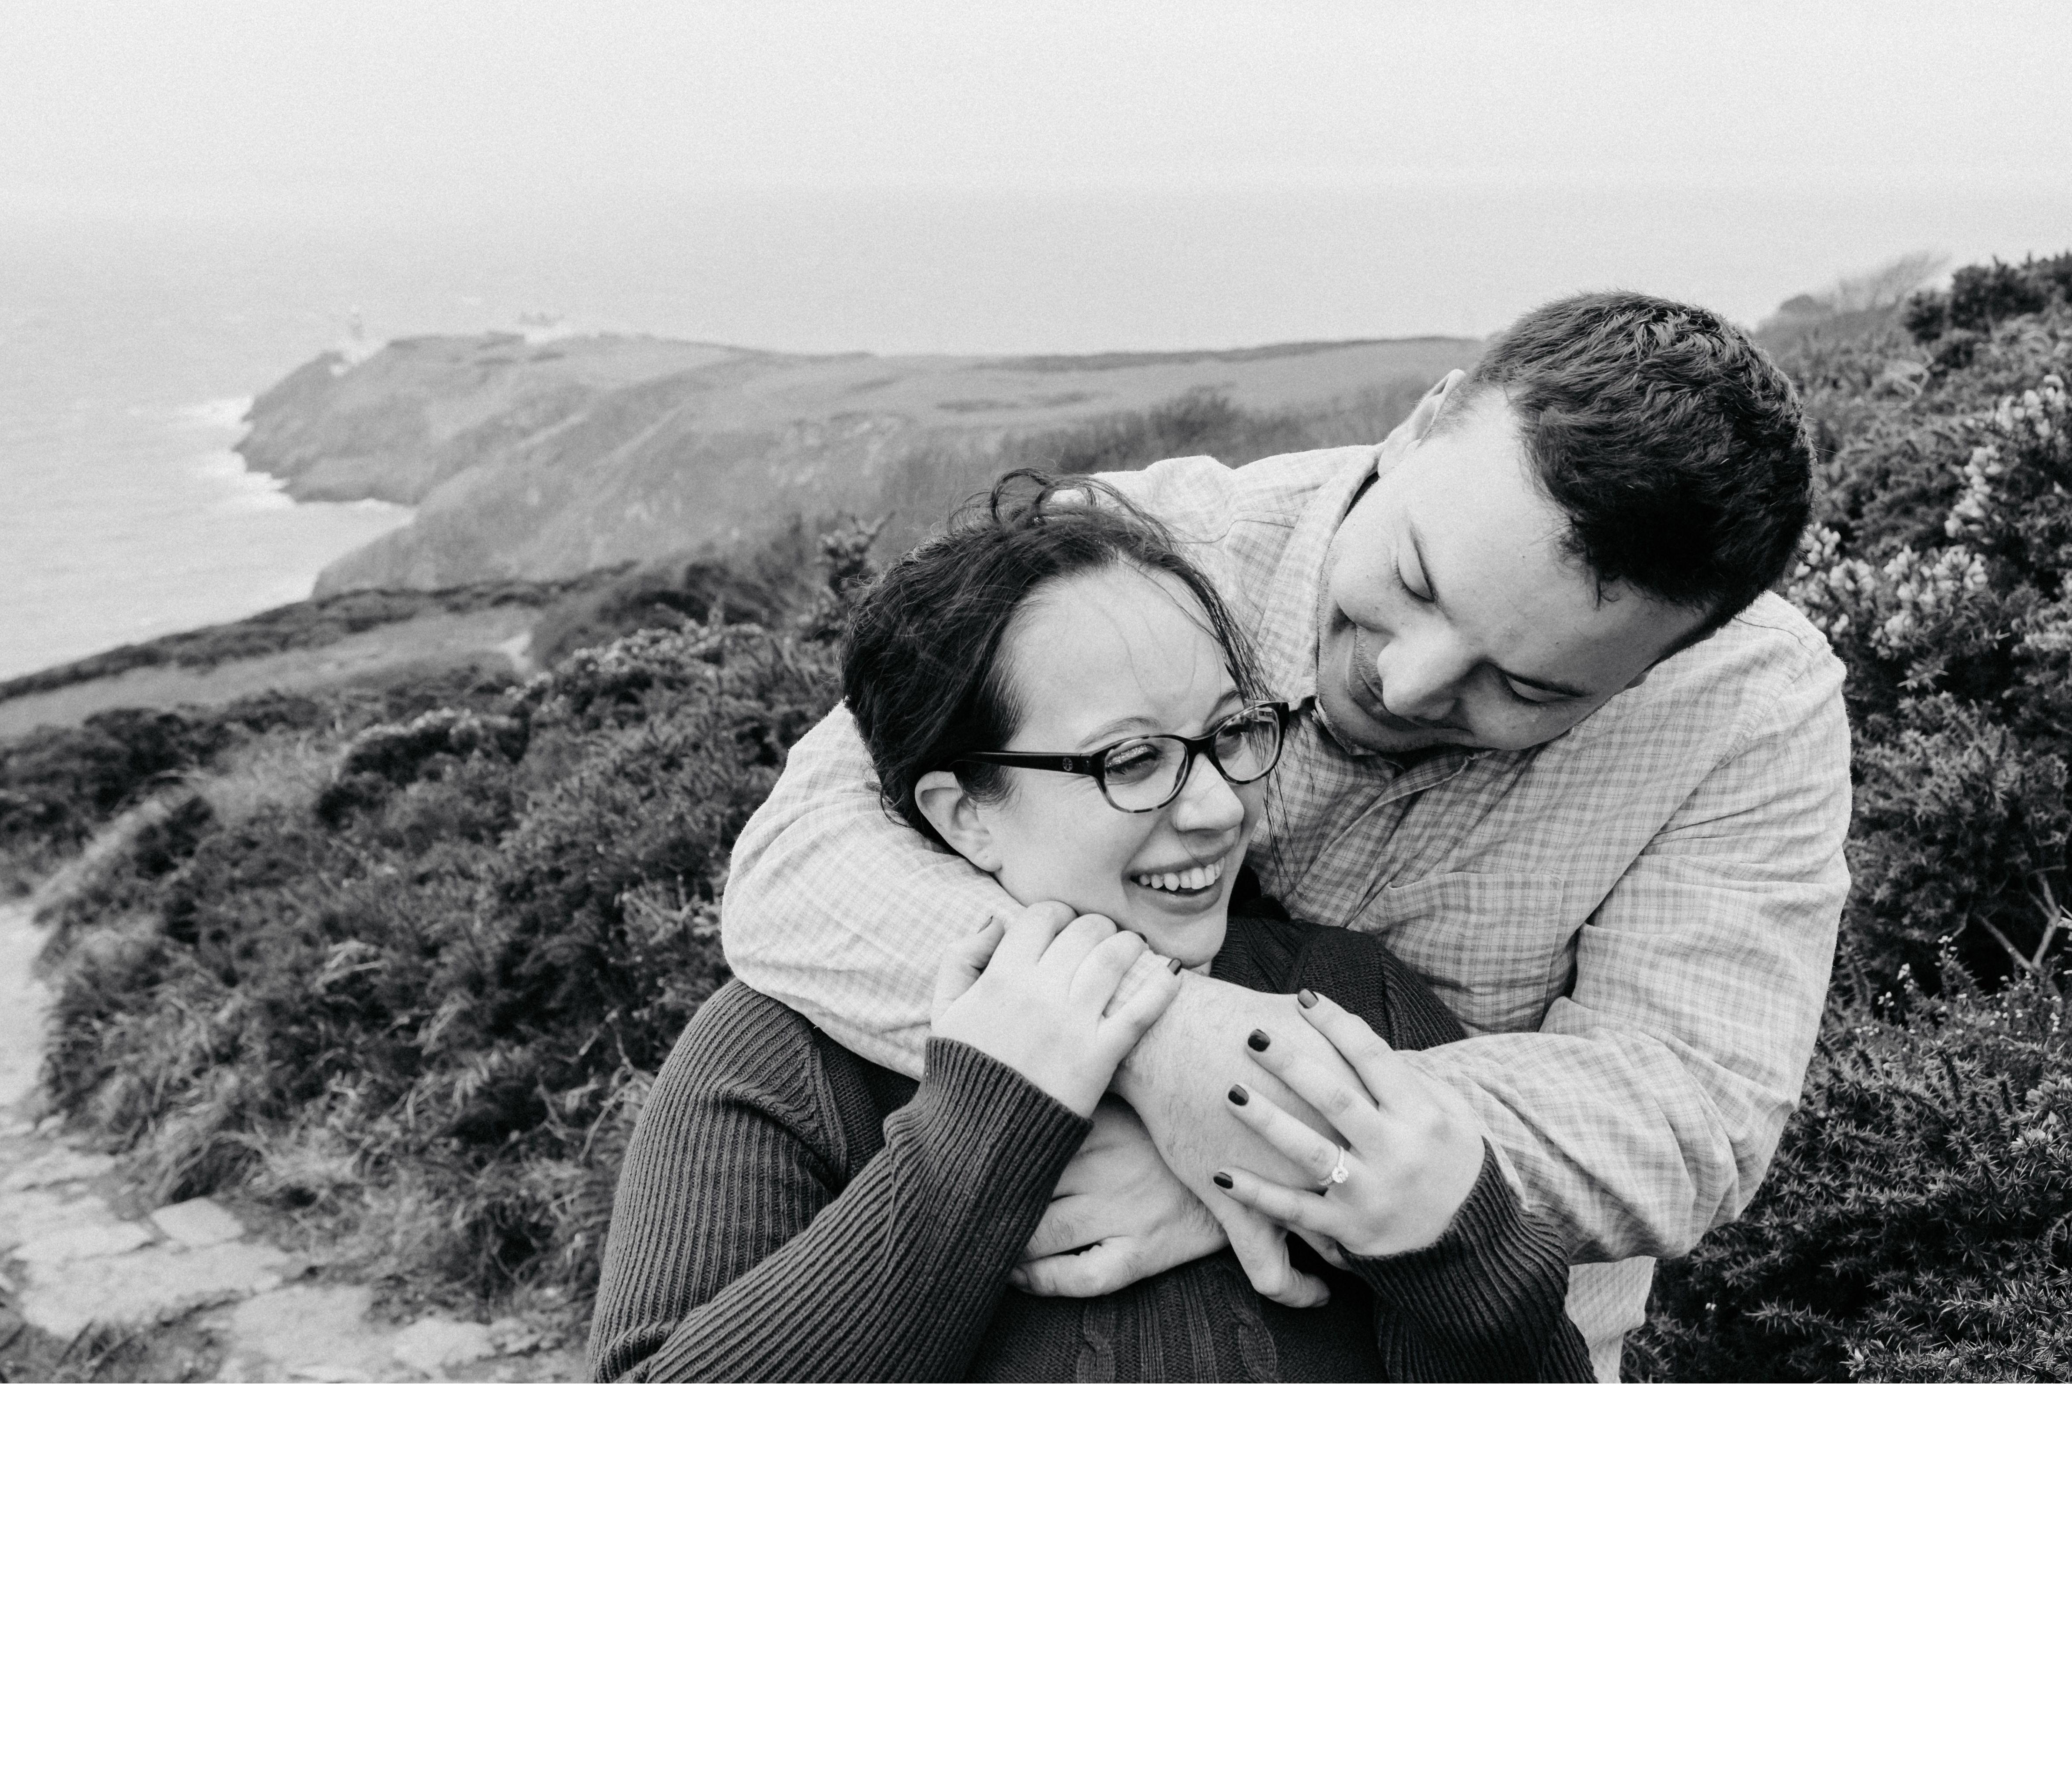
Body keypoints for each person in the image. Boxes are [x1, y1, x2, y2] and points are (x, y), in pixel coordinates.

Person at [720, 292, 1854, 1379]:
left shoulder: (1748, 705)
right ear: (1422, 424)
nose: (1408, 682)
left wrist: (1265, 1152)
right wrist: (1174, 1053)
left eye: (1527, 687)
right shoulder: (1138, 556)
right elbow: (803, 859)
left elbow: (1688, 1117)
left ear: (1663, 663)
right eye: (1416, 579)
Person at [591, 478, 1592, 1381]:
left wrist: (1459, 1254)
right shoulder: (780, 1053)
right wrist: (983, 1131)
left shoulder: (1355, 999)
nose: (1218, 808)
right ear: (965, 814)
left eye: (1232, 733)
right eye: (1132, 760)